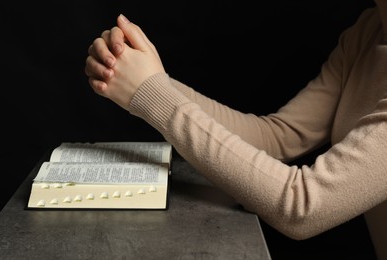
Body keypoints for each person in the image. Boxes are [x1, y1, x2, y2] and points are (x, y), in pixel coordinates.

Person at [84, 2, 387, 258]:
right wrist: (145, 79)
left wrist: (151, 93)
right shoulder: (371, 29)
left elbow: (303, 205)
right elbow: (277, 137)